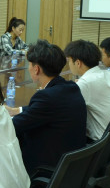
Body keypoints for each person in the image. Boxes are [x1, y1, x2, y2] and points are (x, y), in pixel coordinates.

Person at [6, 39, 87, 176]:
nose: (29, 68)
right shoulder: (70, 87)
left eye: (30, 64)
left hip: (48, 168)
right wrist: (17, 110)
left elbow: (13, 126)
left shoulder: (46, 97)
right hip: (72, 164)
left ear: (36, 69)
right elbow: (43, 110)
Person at [65, 40, 110, 144]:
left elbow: (65, 108)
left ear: (78, 63)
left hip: (101, 144)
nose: (69, 64)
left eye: (69, 61)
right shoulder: (107, 74)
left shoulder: (86, 83)